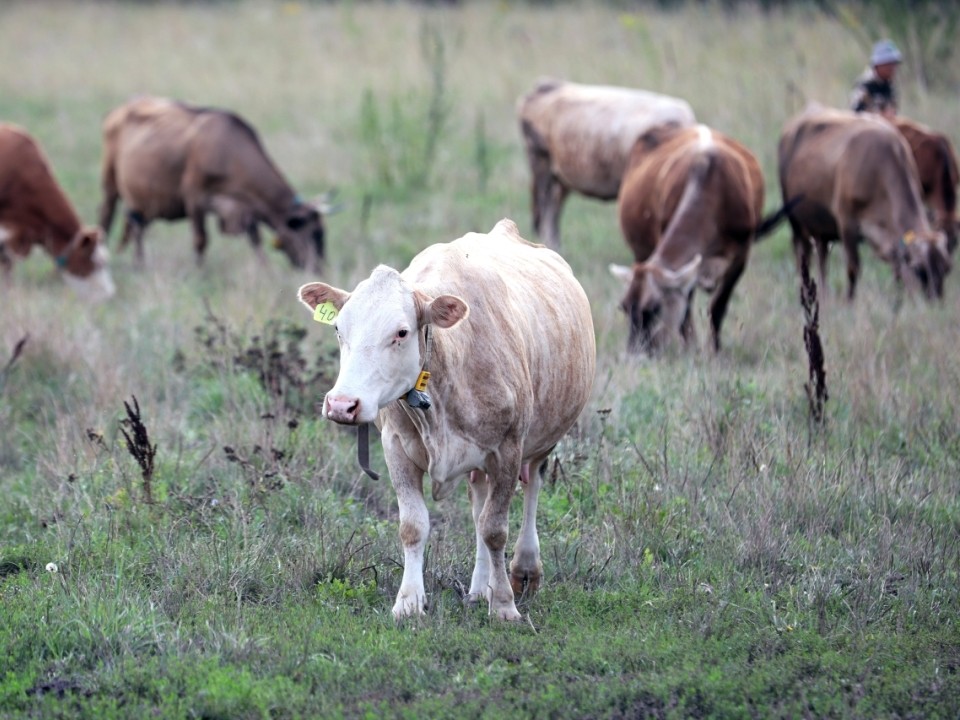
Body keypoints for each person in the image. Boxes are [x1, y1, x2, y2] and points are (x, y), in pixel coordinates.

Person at [850, 39, 902, 118]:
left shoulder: (889, 86)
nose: (893, 68)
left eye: (894, 64)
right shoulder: (865, 86)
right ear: (878, 65)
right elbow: (855, 115)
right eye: (889, 64)